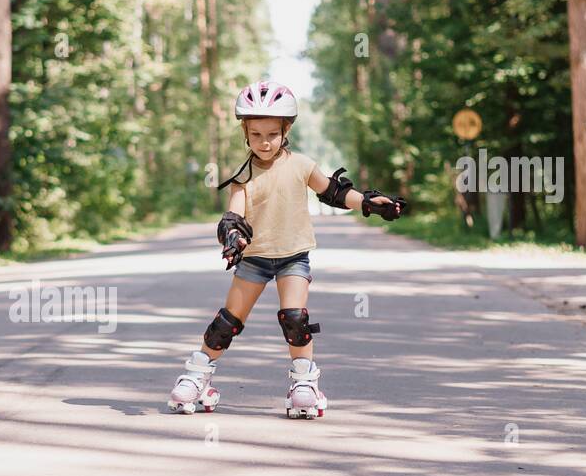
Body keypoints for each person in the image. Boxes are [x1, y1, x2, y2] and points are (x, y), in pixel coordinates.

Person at [167, 80, 407, 418]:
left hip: (294, 257)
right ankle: (195, 377)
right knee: (227, 321)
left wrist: (370, 203)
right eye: (256, 135)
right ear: (245, 134)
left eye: (272, 134)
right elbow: (233, 215)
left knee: (295, 319)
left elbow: (334, 193)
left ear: (286, 129)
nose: (264, 142)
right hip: (254, 260)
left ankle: (304, 384)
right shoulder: (243, 174)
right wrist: (233, 236)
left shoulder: (302, 165)